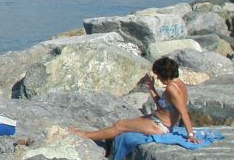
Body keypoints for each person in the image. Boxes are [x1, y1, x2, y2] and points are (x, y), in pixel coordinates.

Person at [70, 56, 198, 143]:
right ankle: (92, 135)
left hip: (160, 126)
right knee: (122, 122)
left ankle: (86, 136)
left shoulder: (172, 89)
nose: (158, 78)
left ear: (163, 74)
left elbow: (183, 113)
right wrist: (151, 88)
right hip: (157, 120)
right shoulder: (179, 83)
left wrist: (190, 135)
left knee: (120, 126)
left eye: (158, 75)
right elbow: (163, 106)